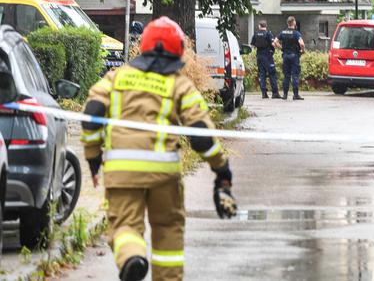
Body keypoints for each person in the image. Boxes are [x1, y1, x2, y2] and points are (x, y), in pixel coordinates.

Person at [80, 16, 237, 281]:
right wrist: (222, 169)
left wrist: (93, 158)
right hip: (164, 175)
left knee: (124, 227)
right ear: (177, 52)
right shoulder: (179, 85)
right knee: (168, 230)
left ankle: (132, 258)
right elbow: (201, 135)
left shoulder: (115, 78)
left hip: (123, 173)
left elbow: (92, 115)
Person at [274, 16, 305, 100]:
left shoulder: (282, 32)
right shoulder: (296, 33)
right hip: (294, 56)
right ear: (294, 22)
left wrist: (281, 48)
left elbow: (275, 42)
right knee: (295, 75)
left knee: (286, 76)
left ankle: (285, 95)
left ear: (287, 23)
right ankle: (295, 95)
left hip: (285, 56)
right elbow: (301, 44)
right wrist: (303, 50)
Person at [250, 20, 280, 99]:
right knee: (272, 74)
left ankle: (264, 93)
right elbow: (273, 44)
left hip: (259, 56)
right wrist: (277, 47)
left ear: (259, 26)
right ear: (266, 26)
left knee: (262, 74)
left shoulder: (256, 34)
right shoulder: (268, 34)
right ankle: (275, 93)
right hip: (268, 56)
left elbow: (252, 45)